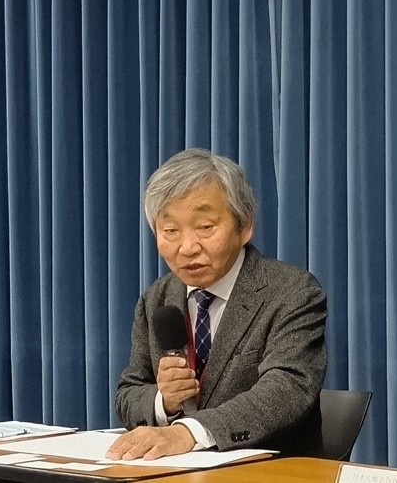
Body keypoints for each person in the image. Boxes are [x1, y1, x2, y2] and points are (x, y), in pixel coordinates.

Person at [108, 148, 327, 460]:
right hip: (174, 473)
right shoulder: (156, 298)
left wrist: (188, 432)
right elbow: (129, 393)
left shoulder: (291, 291)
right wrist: (163, 400)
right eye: (170, 231)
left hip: (266, 470)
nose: (187, 247)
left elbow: (286, 388)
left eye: (205, 227)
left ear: (244, 226)